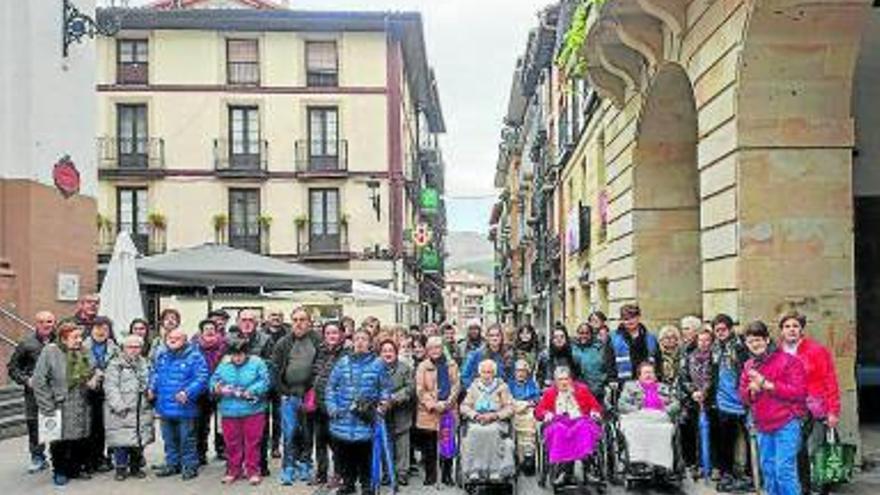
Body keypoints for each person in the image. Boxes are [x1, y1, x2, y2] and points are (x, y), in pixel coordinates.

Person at [775, 311, 841, 495]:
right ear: (781, 331)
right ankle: (803, 489)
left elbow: (830, 380)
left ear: (802, 329)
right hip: (790, 411)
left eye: (795, 326)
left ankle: (822, 490)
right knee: (797, 452)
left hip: (816, 409)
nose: (791, 330)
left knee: (816, 451)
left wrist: (833, 411)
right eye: (787, 326)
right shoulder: (776, 353)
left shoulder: (816, 350)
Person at [739, 320, 807, 495]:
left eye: (759, 339)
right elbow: (744, 397)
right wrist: (751, 391)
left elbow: (799, 392)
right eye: (751, 341)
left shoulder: (789, 361)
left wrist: (767, 384)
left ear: (767, 340)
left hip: (787, 422)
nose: (755, 344)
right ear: (746, 344)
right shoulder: (748, 366)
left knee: (784, 471)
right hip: (763, 424)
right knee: (768, 471)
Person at [32, 320, 97, 486]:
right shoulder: (50, 351)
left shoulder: (85, 350)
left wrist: (94, 378)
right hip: (60, 403)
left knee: (79, 438)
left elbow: (94, 370)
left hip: (81, 401)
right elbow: (39, 381)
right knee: (60, 440)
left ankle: (76, 469)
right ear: (63, 338)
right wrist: (47, 406)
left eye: (80, 337)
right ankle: (60, 471)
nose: (79, 340)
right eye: (75, 337)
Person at [326, 328, 390, 495]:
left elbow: (384, 389)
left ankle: (367, 485)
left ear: (370, 343)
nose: (360, 342)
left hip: (366, 418)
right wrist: (332, 407)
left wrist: (383, 405)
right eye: (357, 339)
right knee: (346, 455)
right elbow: (331, 387)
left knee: (365, 455)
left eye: (364, 339)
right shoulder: (342, 362)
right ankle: (348, 483)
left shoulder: (378, 363)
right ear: (352, 341)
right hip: (343, 419)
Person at [151, 328, 209, 480]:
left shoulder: (195, 356)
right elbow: (155, 374)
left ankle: (190, 466)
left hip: (185, 407)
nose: (172, 340)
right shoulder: (162, 355)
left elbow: (202, 378)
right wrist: (151, 388)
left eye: (177, 338)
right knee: (168, 438)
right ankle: (172, 464)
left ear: (185, 340)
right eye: (170, 337)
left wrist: (188, 393)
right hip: (164, 406)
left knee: (187, 439)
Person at [210, 339, 271, 486]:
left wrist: (251, 390)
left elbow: (265, 381)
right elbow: (213, 381)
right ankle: (233, 470)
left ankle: (253, 471)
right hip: (229, 410)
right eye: (234, 355)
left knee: (253, 442)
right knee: (231, 443)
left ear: (247, 353)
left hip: (253, 410)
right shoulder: (224, 364)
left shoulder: (257, 363)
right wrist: (218, 388)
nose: (237, 358)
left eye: (241, 354)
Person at [272, 307, 320, 485]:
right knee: (289, 432)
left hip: (309, 394)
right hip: (288, 395)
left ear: (309, 322)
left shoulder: (317, 340)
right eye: (295, 320)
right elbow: (274, 371)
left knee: (307, 433)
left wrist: (313, 390)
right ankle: (288, 466)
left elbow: (320, 367)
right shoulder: (283, 343)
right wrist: (282, 392)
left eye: (302, 320)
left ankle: (305, 463)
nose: (298, 324)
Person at [534, 366, 603, 485]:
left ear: (571, 379)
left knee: (583, 427)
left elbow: (595, 406)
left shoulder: (582, 390)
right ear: (555, 381)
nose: (564, 382)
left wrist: (594, 411)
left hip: (580, 420)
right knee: (559, 430)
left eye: (566, 379)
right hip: (558, 422)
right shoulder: (550, 393)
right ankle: (564, 471)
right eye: (560, 379)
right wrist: (546, 413)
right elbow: (538, 411)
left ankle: (588, 469)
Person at [6, 310, 55, 473]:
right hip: (33, 393)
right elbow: (12, 368)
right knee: (34, 424)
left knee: (56, 424)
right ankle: (38, 457)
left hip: (56, 392)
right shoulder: (26, 343)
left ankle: (57, 458)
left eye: (49, 321)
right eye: (42, 322)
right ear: (36, 324)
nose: (46, 325)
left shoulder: (60, 341)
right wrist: (27, 380)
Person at [710, 313, 753, 492]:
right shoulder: (715, 348)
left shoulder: (741, 346)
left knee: (749, 438)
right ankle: (726, 471)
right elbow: (714, 372)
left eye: (723, 329)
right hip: (723, 399)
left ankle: (750, 474)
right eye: (717, 330)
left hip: (741, 399)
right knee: (725, 439)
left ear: (730, 328)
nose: (720, 332)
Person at [104, 334, 154, 482]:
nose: (134, 350)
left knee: (138, 441)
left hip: (141, 408)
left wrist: (150, 392)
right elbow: (110, 386)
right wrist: (118, 405)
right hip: (122, 409)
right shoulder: (115, 364)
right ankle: (120, 468)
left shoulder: (144, 363)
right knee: (121, 442)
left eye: (137, 347)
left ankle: (135, 467)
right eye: (130, 347)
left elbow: (150, 380)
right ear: (123, 348)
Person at [618, 362, 680, 473]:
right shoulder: (629, 386)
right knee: (635, 430)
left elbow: (676, 403)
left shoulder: (664, 387)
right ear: (639, 375)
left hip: (659, 418)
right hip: (638, 418)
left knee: (665, 430)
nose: (648, 375)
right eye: (646, 373)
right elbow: (621, 404)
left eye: (651, 372)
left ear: (655, 375)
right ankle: (638, 462)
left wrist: (665, 410)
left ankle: (661, 464)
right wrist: (637, 410)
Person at [459, 359, 515, 482]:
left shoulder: (502, 387)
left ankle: (494, 470)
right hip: (477, 421)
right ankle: (474, 470)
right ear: (480, 373)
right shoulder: (474, 387)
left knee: (492, 431)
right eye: (484, 372)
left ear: (494, 373)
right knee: (474, 431)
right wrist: (475, 415)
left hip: (497, 421)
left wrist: (495, 415)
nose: (486, 375)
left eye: (489, 372)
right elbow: (464, 406)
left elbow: (510, 408)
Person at [415, 336, 461, 486]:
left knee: (447, 444)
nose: (435, 351)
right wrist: (434, 404)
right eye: (432, 348)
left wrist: (447, 403)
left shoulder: (451, 365)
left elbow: (456, 385)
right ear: (427, 350)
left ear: (442, 349)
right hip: (429, 411)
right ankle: (431, 475)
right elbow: (420, 390)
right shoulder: (422, 366)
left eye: (438, 347)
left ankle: (447, 475)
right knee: (429, 446)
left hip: (448, 409)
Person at [311, 320, 347, 487]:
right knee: (320, 442)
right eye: (328, 333)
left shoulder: (347, 354)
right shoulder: (319, 351)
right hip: (318, 404)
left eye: (335, 333)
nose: (331, 336)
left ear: (341, 335)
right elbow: (313, 373)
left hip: (336, 407)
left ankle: (339, 473)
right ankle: (321, 473)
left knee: (337, 443)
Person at [82, 316, 118, 474]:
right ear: (91, 329)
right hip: (87, 392)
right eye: (98, 327)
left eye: (105, 328)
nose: (101, 331)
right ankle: (88, 460)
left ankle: (101, 458)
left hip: (107, 392)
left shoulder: (115, 348)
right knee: (89, 427)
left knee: (103, 427)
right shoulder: (82, 346)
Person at [379, 339, 415, 486]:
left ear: (396, 352)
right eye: (384, 351)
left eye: (391, 351)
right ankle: (387, 472)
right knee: (385, 443)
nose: (388, 354)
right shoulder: (376, 368)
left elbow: (410, 388)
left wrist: (393, 398)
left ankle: (402, 473)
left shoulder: (404, 368)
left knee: (402, 444)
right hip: (382, 413)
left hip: (401, 412)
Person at [679, 325, 714, 476]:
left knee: (711, 435)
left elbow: (715, 377)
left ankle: (709, 465)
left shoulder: (715, 357)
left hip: (710, 401)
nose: (704, 343)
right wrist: (693, 391)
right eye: (701, 340)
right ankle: (694, 463)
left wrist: (706, 391)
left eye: (707, 340)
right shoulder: (689, 356)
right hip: (692, 401)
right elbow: (684, 376)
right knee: (694, 434)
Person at [193, 318, 228, 465]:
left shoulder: (224, 344)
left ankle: (222, 449)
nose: (209, 330)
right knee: (201, 422)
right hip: (201, 389)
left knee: (222, 421)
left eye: (212, 327)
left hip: (219, 386)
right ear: (201, 330)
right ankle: (201, 452)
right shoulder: (194, 345)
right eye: (206, 328)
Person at [607, 303, 661, 384]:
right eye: (626, 319)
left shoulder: (651, 338)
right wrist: (612, 380)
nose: (629, 321)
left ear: (638, 318)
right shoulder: (613, 338)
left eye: (632, 317)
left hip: (648, 382)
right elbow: (609, 362)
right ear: (621, 320)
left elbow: (658, 361)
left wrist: (658, 377)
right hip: (623, 383)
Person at [261, 309, 290, 459]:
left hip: (282, 380)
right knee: (263, 415)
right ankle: (264, 443)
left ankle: (275, 446)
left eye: (279, 315)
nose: (276, 318)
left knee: (279, 416)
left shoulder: (288, 334)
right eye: (273, 315)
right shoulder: (261, 334)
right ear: (267, 318)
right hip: (264, 380)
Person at [507, 358, 540, 474]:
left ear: (527, 372)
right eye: (518, 370)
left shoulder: (532, 384)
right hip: (513, 409)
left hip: (528, 410)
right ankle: (516, 456)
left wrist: (527, 404)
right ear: (514, 372)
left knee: (531, 419)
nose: (520, 373)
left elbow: (537, 399)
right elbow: (506, 399)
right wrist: (516, 405)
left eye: (523, 371)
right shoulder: (509, 384)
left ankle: (528, 456)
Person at [461, 324, 513, 390]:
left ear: (502, 337)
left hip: (500, 393)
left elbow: (511, 377)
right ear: (487, 338)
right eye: (491, 336)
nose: (495, 338)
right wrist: (474, 390)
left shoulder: (507, 355)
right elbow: (465, 375)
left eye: (497, 335)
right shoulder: (476, 354)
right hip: (480, 393)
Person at [571, 321, 610, 401]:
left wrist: (600, 383)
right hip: (576, 391)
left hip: (596, 391)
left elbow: (606, 367)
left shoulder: (599, 349)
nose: (584, 336)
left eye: (587, 333)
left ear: (591, 334)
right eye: (581, 333)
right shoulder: (572, 348)